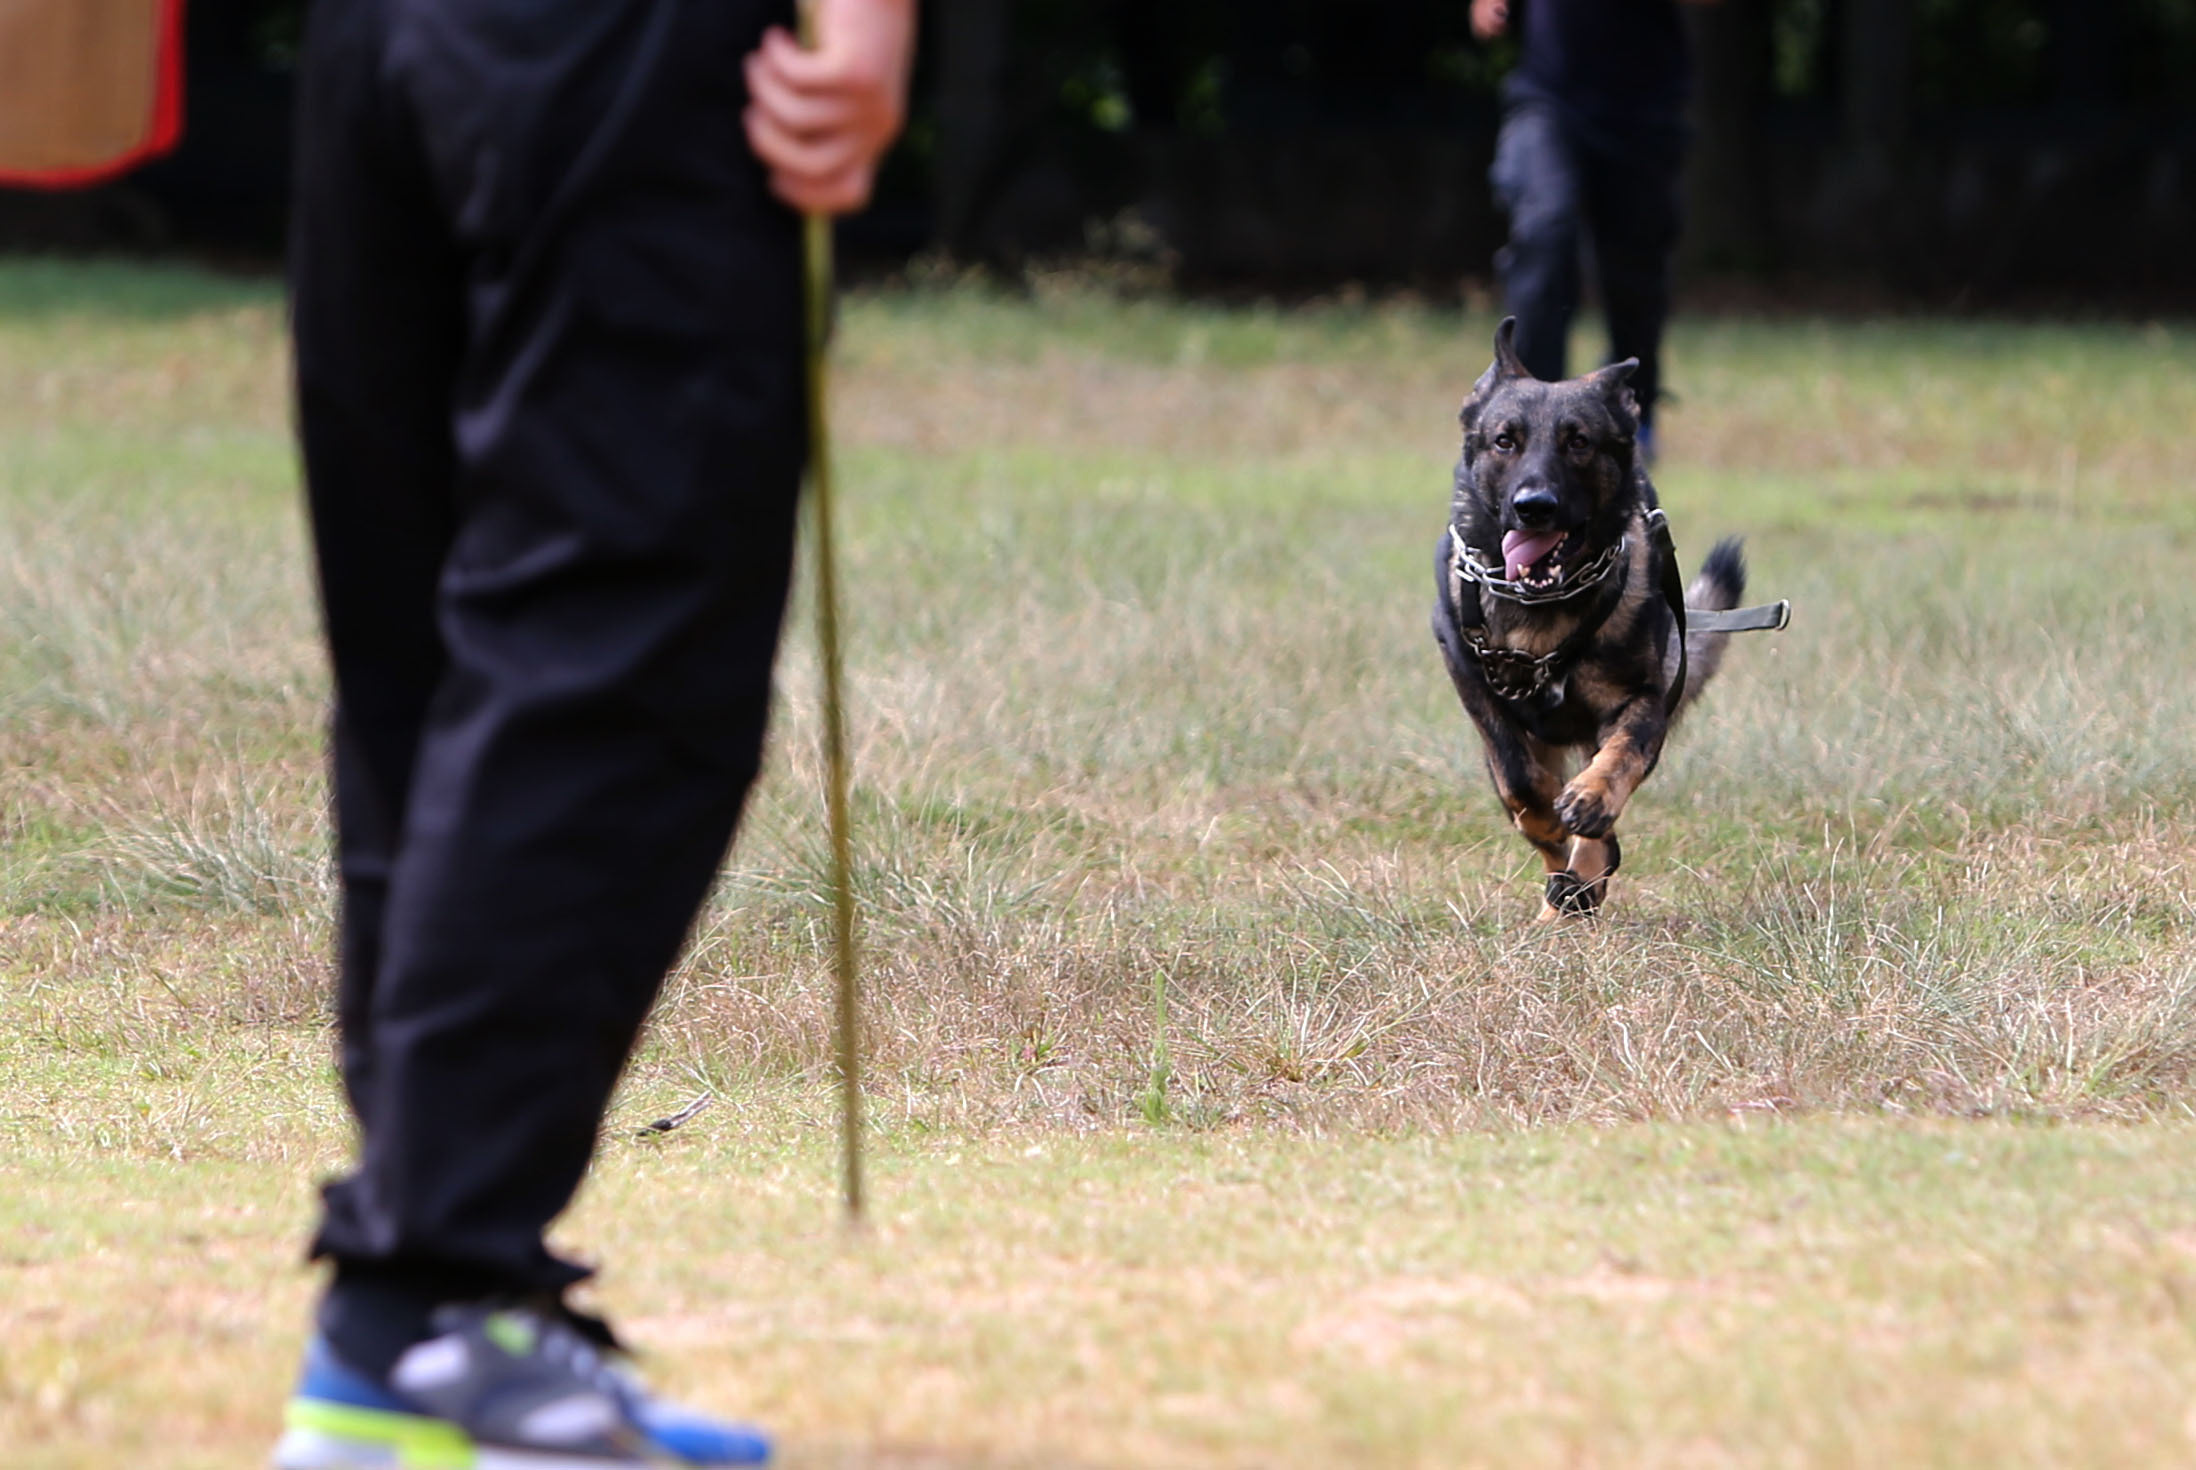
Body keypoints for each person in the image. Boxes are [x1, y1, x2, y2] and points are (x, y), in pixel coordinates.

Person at [273, 0, 913, 1464]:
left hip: (373, 48)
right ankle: (424, 1303)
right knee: (612, 662)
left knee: (427, 670)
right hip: (608, 57)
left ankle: (450, 1290)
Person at [1471, 0, 1719, 452]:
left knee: (1634, 269)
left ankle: (1633, 407)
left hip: (1644, 110)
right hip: (1549, 98)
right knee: (1545, 230)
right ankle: (1530, 415)